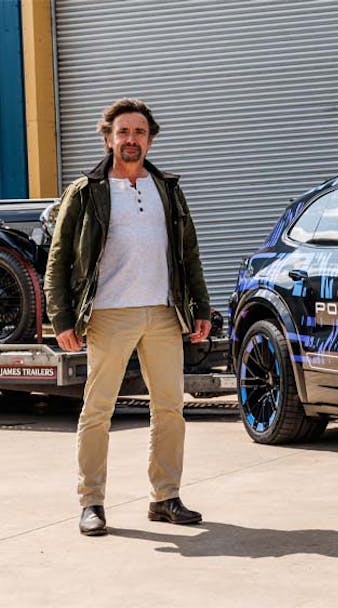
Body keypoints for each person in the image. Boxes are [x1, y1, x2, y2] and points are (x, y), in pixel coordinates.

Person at [44, 98, 212, 536]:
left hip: (162, 312)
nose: (131, 139)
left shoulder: (167, 189)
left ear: (150, 140)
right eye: (123, 132)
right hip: (108, 314)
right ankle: (91, 502)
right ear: (108, 138)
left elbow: (188, 252)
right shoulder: (86, 190)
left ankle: (165, 497)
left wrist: (200, 307)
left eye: (139, 132)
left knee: (170, 408)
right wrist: (62, 319)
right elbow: (59, 259)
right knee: (98, 409)